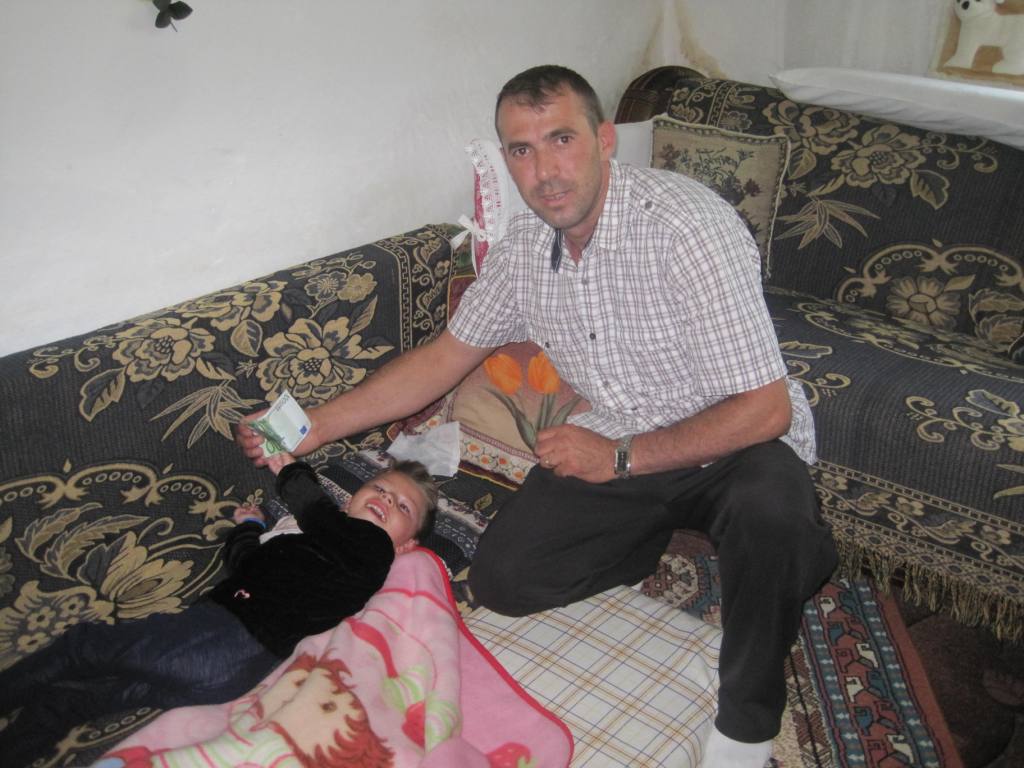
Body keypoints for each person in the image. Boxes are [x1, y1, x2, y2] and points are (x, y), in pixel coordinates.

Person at [236, 64, 837, 767]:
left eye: (561, 139)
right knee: (507, 581)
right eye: (522, 149)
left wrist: (617, 459)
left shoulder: (687, 226)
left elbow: (764, 408)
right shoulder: (524, 249)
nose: (545, 170)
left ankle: (748, 719)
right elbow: (444, 358)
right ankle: (658, 532)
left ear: (604, 140)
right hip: (624, 437)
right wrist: (314, 426)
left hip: (735, 440)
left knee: (771, 516)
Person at [0, 454, 437, 768]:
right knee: (73, 699)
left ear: (407, 545)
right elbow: (249, 565)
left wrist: (291, 470)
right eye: (380, 489)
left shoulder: (372, 551)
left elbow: (314, 509)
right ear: (352, 499)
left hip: (225, 634)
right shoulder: (316, 545)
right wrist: (249, 529)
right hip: (229, 669)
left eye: (403, 507)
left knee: (83, 646)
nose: (387, 500)